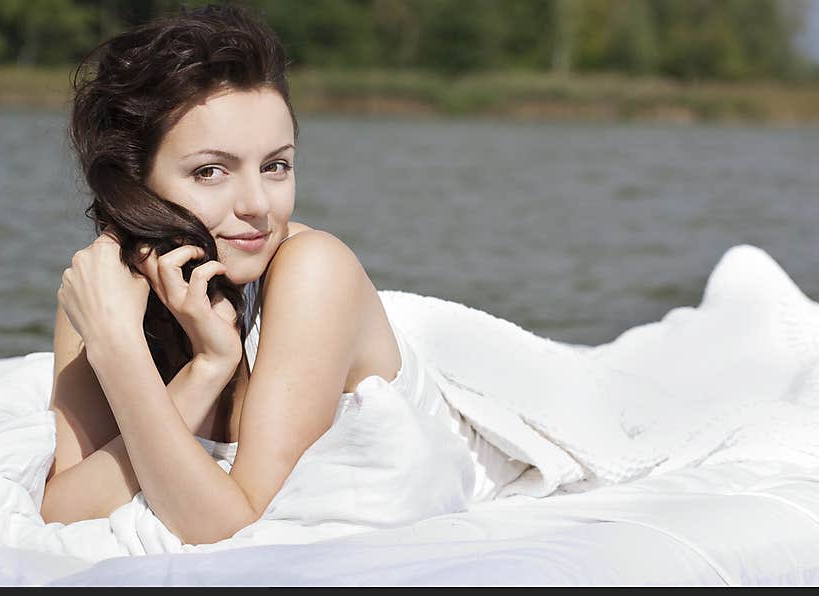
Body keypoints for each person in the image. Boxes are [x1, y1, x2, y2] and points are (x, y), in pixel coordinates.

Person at [40, 4, 529, 545]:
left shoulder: (314, 269)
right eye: (211, 171)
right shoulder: (100, 294)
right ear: (135, 180)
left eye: (276, 165)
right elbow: (62, 508)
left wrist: (122, 357)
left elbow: (232, 527)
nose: (256, 205)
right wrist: (205, 369)